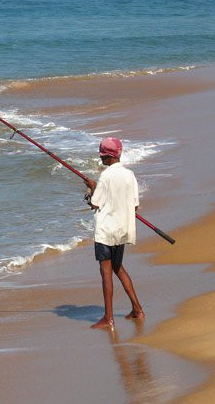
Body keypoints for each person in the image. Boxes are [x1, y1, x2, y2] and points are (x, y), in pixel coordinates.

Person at [85, 137, 144, 330]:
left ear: (109, 156)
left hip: (106, 231)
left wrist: (92, 188)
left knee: (106, 272)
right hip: (122, 229)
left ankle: (108, 318)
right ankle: (137, 309)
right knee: (118, 267)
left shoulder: (106, 176)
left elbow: (95, 203)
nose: (100, 157)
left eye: (102, 154)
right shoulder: (129, 175)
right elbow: (134, 204)